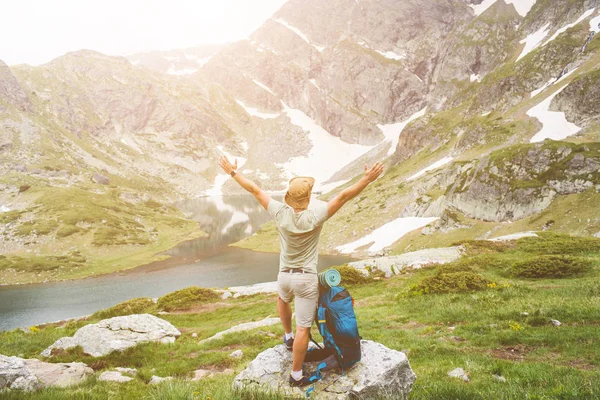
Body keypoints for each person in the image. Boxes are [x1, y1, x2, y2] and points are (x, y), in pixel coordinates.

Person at [218, 155, 384, 386]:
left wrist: (233, 173)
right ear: (308, 197)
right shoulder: (316, 215)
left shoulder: (279, 212)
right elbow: (344, 196)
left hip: (284, 275)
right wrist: (366, 180)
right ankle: (296, 374)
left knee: (282, 298)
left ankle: (287, 336)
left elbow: (255, 190)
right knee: (303, 329)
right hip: (305, 279)